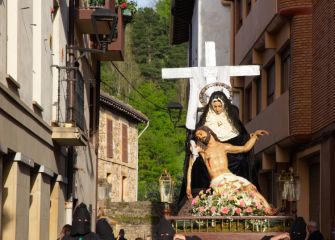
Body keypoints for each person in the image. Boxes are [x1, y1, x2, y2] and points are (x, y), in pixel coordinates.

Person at [178, 91, 259, 211]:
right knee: (199, 164)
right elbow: (197, 139)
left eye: (219, 106)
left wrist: (250, 137)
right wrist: (204, 149)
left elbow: (241, 138)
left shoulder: (232, 120)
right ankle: (204, 197)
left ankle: (243, 199)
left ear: (224, 105)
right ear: (211, 106)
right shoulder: (205, 122)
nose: (217, 109)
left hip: (228, 153)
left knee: (242, 162)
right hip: (211, 155)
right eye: (214, 106)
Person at [187, 126, 277, 215]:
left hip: (230, 176)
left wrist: (255, 136)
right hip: (217, 180)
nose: (199, 136)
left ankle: (269, 210)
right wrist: (188, 186)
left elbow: (245, 148)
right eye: (197, 136)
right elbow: (190, 166)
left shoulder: (224, 146)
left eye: (200, 133)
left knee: (251, 189)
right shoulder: (202, 150)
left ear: (209, 132)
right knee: (234, 193)